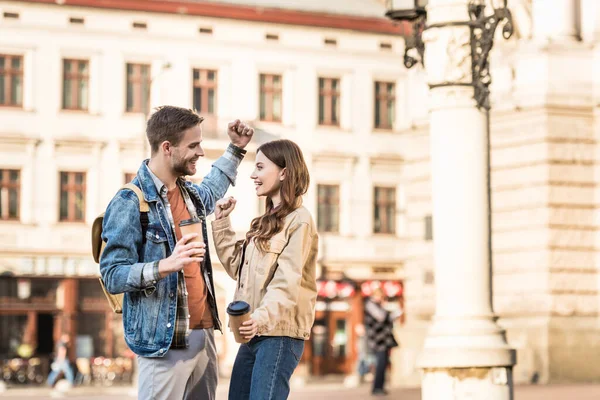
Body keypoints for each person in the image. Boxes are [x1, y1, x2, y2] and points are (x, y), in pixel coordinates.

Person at [99, 105, 254, 400]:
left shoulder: (189, 193)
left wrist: (235, 150)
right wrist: (165, 265)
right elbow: (112, 275)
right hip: (164, 343)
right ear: (167, 147)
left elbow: (212, 187)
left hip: (204, 335)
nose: (200, 152)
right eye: (193, 145)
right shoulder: (130, 201)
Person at [211, 139, 318, 400]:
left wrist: (259, 319)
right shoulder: (264, 222)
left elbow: (286, 283)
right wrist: (222, 222)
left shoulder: (300, 221)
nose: (253, 174)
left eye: (260, 167)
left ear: (283, 172)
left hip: (278, 335)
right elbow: (237, 267)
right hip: (254, 332)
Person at [364, 288, 402, 396]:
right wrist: (388, 310)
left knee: (384, 363)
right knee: (380, 363)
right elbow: (381, 317)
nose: (382, 299)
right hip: (377, 340)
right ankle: (377, 388)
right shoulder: (371, 304)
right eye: (381, 297)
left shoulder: (378, 305)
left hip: (383, 340)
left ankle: (380, 386)